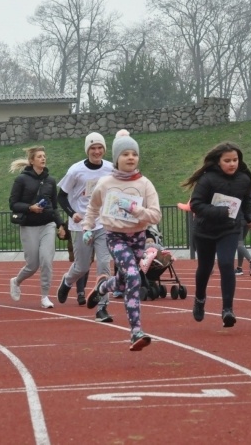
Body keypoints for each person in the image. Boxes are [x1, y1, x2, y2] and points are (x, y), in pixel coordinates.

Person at [83, 129, 162, 351]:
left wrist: (136, 209)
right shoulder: (105, 183)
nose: (130, 158)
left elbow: (156, 215)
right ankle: (136, 331)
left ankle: (103, 287)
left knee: (123, 279)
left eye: (134, 154)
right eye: (125, 154)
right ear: (116, 158)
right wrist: (87, 227)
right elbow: (93, 207)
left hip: (138, 236)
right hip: (114, 236)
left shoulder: (145, 184)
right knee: (134, 277)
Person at [182, 142, 251, 328]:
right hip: (205, 231)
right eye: (227, 160)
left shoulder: (244, 179)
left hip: (229, 229)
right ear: (218, 161)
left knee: (226, 263)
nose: (232, 164)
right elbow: (196, 205)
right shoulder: (207, 180)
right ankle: (200, 299)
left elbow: (248, 200)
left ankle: (227, 310)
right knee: (205, 268)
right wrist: (219, 211)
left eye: (235, 160)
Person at [55, 132, 115, 323]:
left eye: (100, 148)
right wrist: (73, 214)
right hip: (81, 226)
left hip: (102, 224)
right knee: (82, 266)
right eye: (93, 148)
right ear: (87, 150)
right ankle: (67, 281)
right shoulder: (75, 171)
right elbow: (61, 196)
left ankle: (102, 308)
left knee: (104, 264)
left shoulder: (110, 168)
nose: (97, 152)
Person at [8, 146, 66, 309]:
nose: (43, 158)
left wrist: (61, 224)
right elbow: (13, 204)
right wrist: (30, 207)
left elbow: (54, 207)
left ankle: (45, 296)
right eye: (39, 156)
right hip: (29, 226)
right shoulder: (21, 180)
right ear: (32, 160)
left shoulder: (50, 181)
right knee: (33, 265)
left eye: (44, 156)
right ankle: (16, 281)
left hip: (48, 225)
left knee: (46, 261)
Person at [236, 187, 251, 276]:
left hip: (237, 218)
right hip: (247, 219)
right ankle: (239, 268)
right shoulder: (249, 185)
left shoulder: (233, 185)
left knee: (237, 243)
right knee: (240, 244)